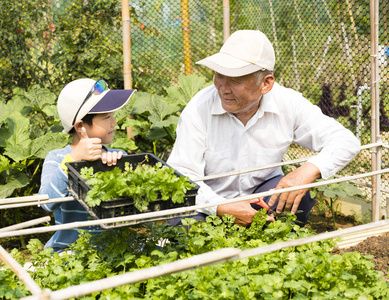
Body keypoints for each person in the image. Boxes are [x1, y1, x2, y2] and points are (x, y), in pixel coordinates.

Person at [167, 30, 360, 227]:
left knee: (297, 201)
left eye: (235, 79)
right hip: (209, 201)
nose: (223, 88)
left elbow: (346, 141)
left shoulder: (288, 103)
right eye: (219, 75)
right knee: (184, 227)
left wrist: (306, 171)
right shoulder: (198, 108)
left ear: (266, 84)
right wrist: (221, 207)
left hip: (261, 196)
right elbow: (183, 176)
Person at [38, 78, 136, 252]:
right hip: (68, 251)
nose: (114, 123)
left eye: (113, 116)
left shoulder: (118, 156)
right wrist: (73, 160)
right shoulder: (57, 159)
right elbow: (47, 203)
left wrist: (119, 168)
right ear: (80, 126)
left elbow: (133, 209)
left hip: (114, 250)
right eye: (107, 117)